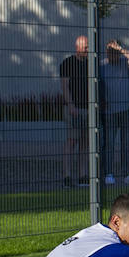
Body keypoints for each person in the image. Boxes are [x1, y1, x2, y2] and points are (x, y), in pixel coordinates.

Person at [100, 38, 129, 185]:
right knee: (109, 143)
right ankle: (108, 173)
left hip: (127, 110)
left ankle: (128, 173)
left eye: (114, 52)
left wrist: (120, 49)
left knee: (127, 143)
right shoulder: (102, 66)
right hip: (110, 112)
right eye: (109, 51)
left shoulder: (124, 63)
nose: (112, 55)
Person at [59, 33, 90, 187]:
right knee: (71, 141)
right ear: (77, 48)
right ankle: (67, 175)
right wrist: (70, 105)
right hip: (74, 109)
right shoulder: (67, 63)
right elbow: (64, 86)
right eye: (85, 47)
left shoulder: (90, 64)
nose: (87, 50)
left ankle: (83, 174)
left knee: (85, 142)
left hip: (87, 108)